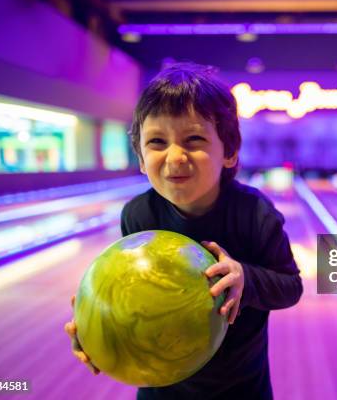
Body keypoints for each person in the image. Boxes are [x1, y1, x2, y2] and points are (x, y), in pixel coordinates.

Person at [64, 63, 303, 399]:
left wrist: (245, 279)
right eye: (157, 142)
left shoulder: (255, 213)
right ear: (141, 158)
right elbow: (127, 296)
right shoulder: (138, 215)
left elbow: (291, 286)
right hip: (161, 387)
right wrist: (96, 331)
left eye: (194, 139)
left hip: (240, 388)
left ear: (230, 151)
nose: (175, 156)